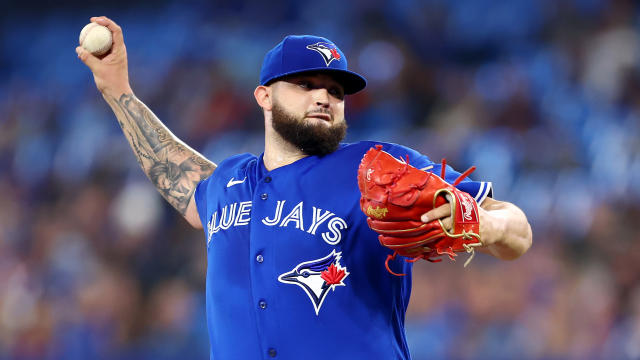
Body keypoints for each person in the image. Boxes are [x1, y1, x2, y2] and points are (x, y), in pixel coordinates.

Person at [76, 16, 532, 360]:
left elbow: (520, 231)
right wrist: (118, 91)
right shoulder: (230, 183)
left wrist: (481, 223)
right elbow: (176, 172)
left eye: (336, 90)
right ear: (264, 97)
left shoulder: (376, 165)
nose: (324, 97)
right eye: (305, 83)